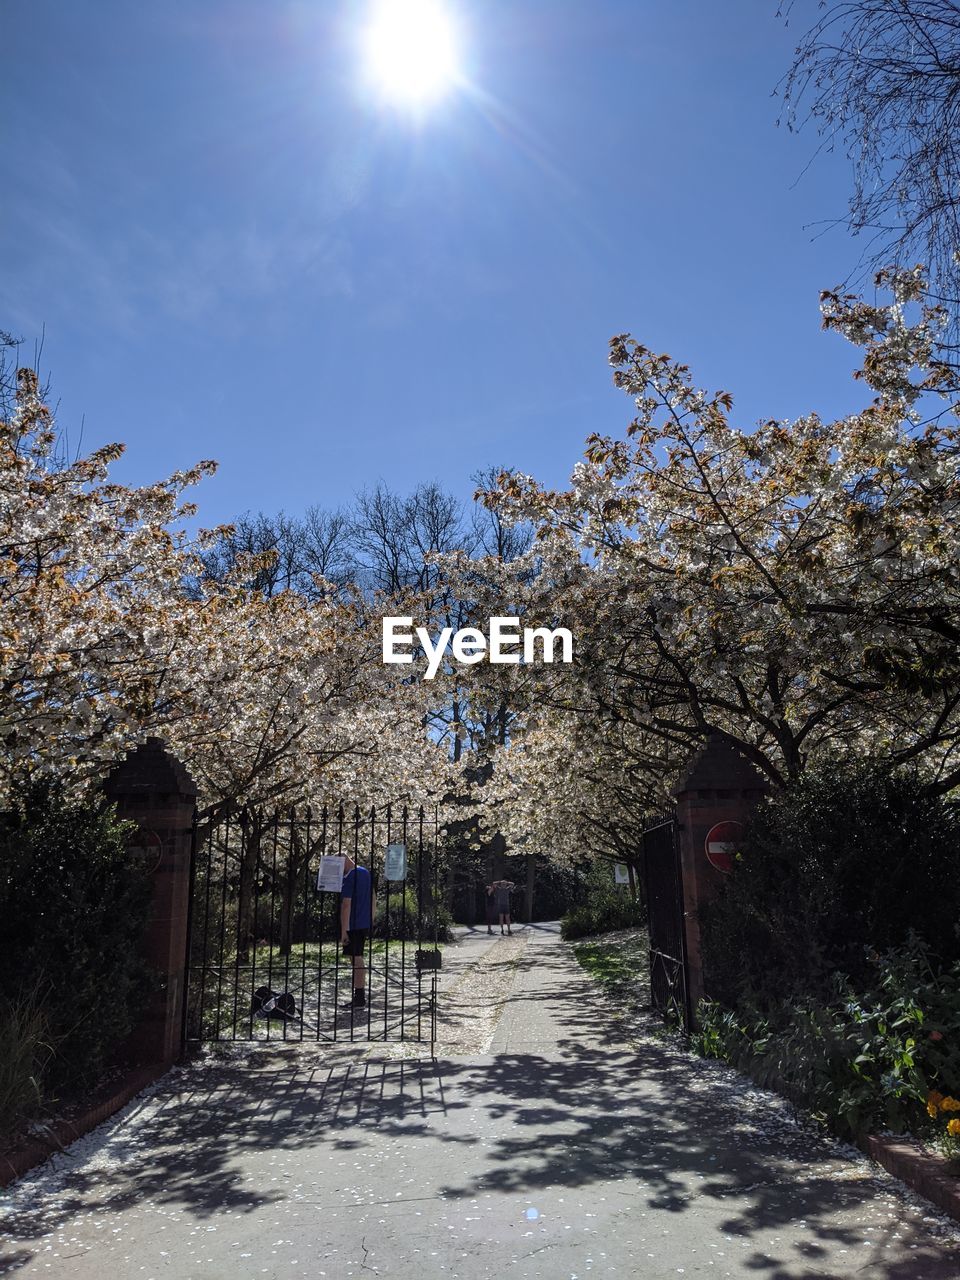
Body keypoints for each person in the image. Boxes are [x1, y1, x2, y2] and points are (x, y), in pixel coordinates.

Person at [340, 854, 376, 1007]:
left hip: (352, 924)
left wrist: (343, 930)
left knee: (356, 958)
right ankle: (359, 995)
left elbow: (346, 905)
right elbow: (374, 896)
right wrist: (371, 918)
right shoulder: (365, 873)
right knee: (357, 957)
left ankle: (359, 997)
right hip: (364, 922)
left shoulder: (349, 878)